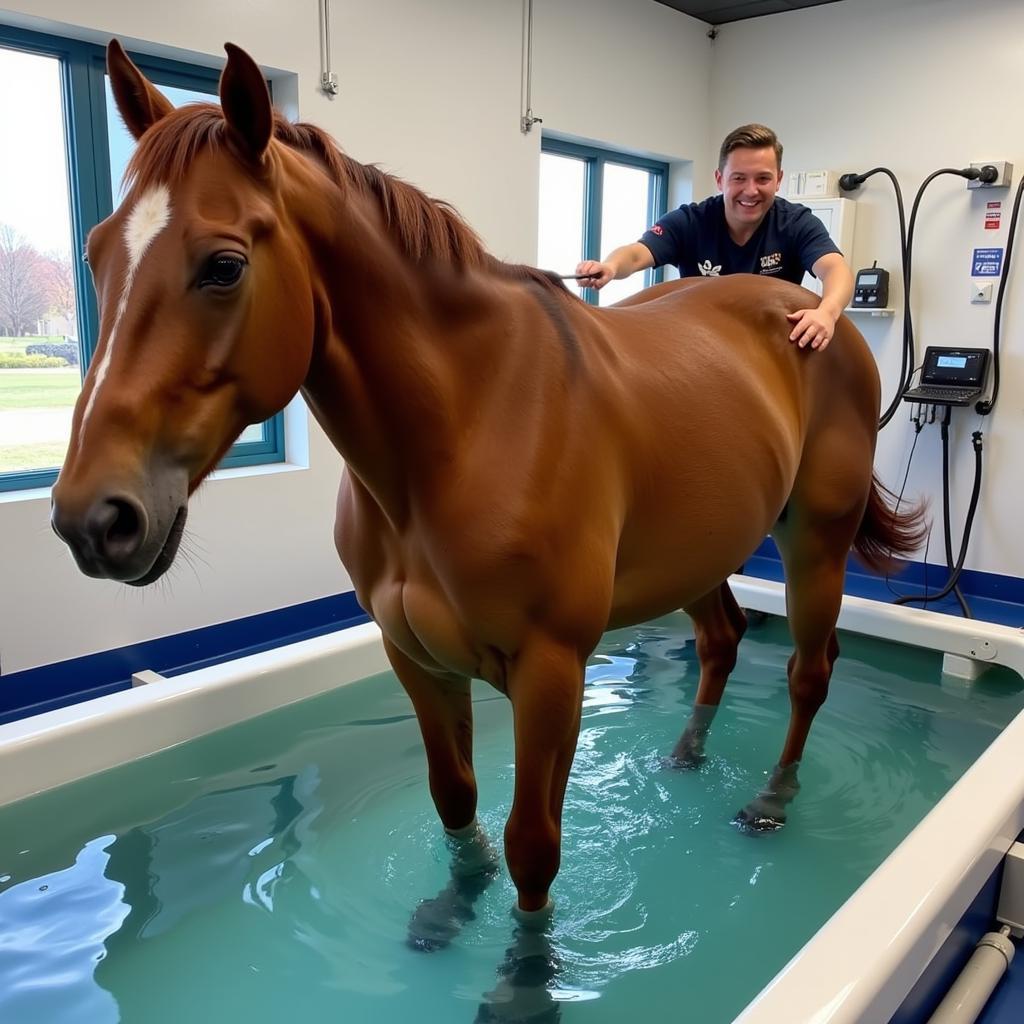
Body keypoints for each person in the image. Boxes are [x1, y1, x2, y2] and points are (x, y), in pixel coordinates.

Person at [575, 124, 854, 351]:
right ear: (720, 179)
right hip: (701, 349)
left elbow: (835, 269)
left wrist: (827, 313)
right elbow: (637, 253)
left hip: (773, 354)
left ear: (779, 180)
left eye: (763, 179)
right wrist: (610, 267)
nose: (751, 190)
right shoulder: (690, 222)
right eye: (739, 178)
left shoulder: (796, 224)